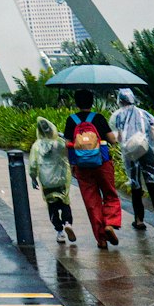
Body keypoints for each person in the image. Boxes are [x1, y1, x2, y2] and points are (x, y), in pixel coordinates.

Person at [63, 91, 122, 249]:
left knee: (92, 202)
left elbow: (67, 145)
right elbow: (112, 140)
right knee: (110, 194)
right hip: (102, 162)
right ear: (92, 102)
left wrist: (72, 165)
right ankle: (110, 223)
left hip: (82, 166)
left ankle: (101, 239)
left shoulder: (71, 120)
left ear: (76, 103)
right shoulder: (98, 118)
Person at [111, 89, 154, 235]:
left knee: (136, 186)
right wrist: (148, 140)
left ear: (121, 101)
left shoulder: (118, 116)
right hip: (146, 151)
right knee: (152, 185)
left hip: (131, 154)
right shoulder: (144, 113)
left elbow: (116, 136)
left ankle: (139, 220)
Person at [28, 117, 77, 243]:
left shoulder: (37, 146)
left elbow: (33, 164)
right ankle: (67, 223)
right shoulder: (59, 143)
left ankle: (60, 231)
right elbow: (69, 153)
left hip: (46, 181)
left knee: (52, 206)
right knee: (65, 202)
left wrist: (33, 178)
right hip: (61, 179)